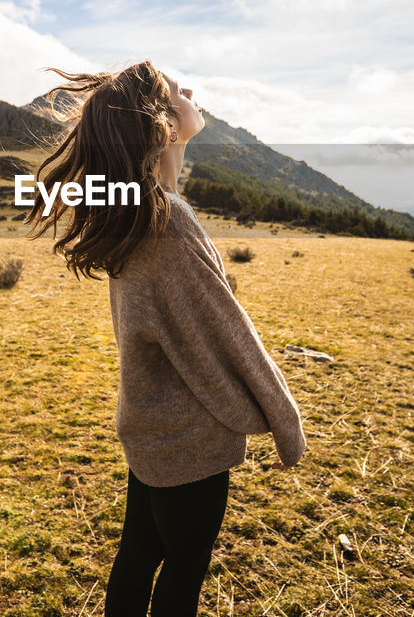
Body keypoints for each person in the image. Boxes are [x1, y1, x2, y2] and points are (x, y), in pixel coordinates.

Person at [23, 60, 307, 616]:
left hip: (148, 425)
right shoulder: (165, 218)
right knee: (183, 573)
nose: (191, 91)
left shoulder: (132, 210)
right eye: (178, 89)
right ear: (161, 124)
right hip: (189, 437)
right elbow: (228, 333)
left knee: (137, 557)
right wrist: (285, 421)